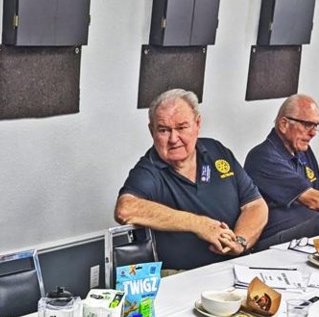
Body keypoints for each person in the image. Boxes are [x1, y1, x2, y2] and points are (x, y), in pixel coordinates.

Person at [114, 89, 268, 271]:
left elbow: (255, 206)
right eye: (163, 130)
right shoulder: (149, 169)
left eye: (181, 128)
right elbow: (125, 210)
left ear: (197, 124)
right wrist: (199, 225)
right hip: (181, 276)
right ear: (151, 131)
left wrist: (240, 242)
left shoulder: (217, 151)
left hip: (234, 267)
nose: (173, 139)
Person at [243, 94, 319, 249]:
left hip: (309, 227)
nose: (313, 133)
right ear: (284, 124)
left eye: (316, 126)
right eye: (307, 125)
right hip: (273, 237)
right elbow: (314, 200)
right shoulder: (262, 156)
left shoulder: (304, 151)